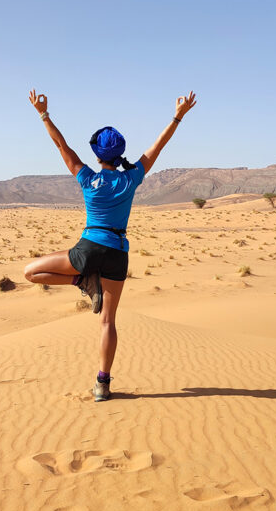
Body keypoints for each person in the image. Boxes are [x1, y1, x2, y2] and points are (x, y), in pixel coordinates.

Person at [23, 89, 197, 401]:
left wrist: (43, 114)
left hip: (88, 248)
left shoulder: (87, 177)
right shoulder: (131, 178)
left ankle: (80, 279)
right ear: (119, 154)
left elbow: (61, 146)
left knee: (30, 272)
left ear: (97, 154)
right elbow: (157, 148)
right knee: (108, 322)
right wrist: (177, 116)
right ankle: (102, 384)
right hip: (118, 253)